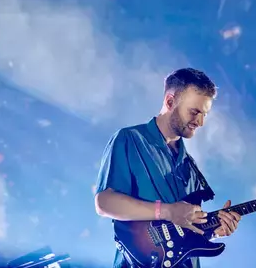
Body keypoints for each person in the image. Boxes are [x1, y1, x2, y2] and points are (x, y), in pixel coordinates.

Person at [94, 68, 242, 268]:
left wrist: (214, 230)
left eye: (204, 114)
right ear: (170, 101)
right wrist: (166, 211)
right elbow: (104, 203)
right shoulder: (129, 139)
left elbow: (184, 230)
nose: (200, 122)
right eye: (194, 112)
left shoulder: (190, 165)